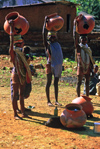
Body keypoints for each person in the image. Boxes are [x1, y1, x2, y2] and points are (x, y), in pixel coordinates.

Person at [9, 20, 32, 119]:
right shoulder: (14, 52)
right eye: (19, 43)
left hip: (22, 74)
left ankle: (23, 112)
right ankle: (15, 114)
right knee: (15, 94)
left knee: (21, 94)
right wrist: (11, 28)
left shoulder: (23, 54)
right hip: (16, 74)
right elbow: (11, 44)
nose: (20, 44)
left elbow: (27, 63)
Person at [42, 16, 63, 106]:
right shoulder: (47, 45)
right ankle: (48, 101)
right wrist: (44, 23)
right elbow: (43, 34)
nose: (52, 38)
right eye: (50, 37)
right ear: (48, 37)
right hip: (50, 64)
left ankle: (56, 100)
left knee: (56, 83)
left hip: (57, 65)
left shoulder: (57, 44)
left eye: (54, 37)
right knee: (49, 82)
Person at [73, 19, 95, 97]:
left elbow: (91, 59)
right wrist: (74, 26)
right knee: (79, 83)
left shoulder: (88, 49)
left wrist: (92, 69)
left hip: (88, 66)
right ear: (80, 40)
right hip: (81, 67)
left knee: (87, 82)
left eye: (85, 39)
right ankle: (78, 97)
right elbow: (74, 38)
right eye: (83, 39)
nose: (84, 40)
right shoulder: (79, 47)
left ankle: (87, 97)